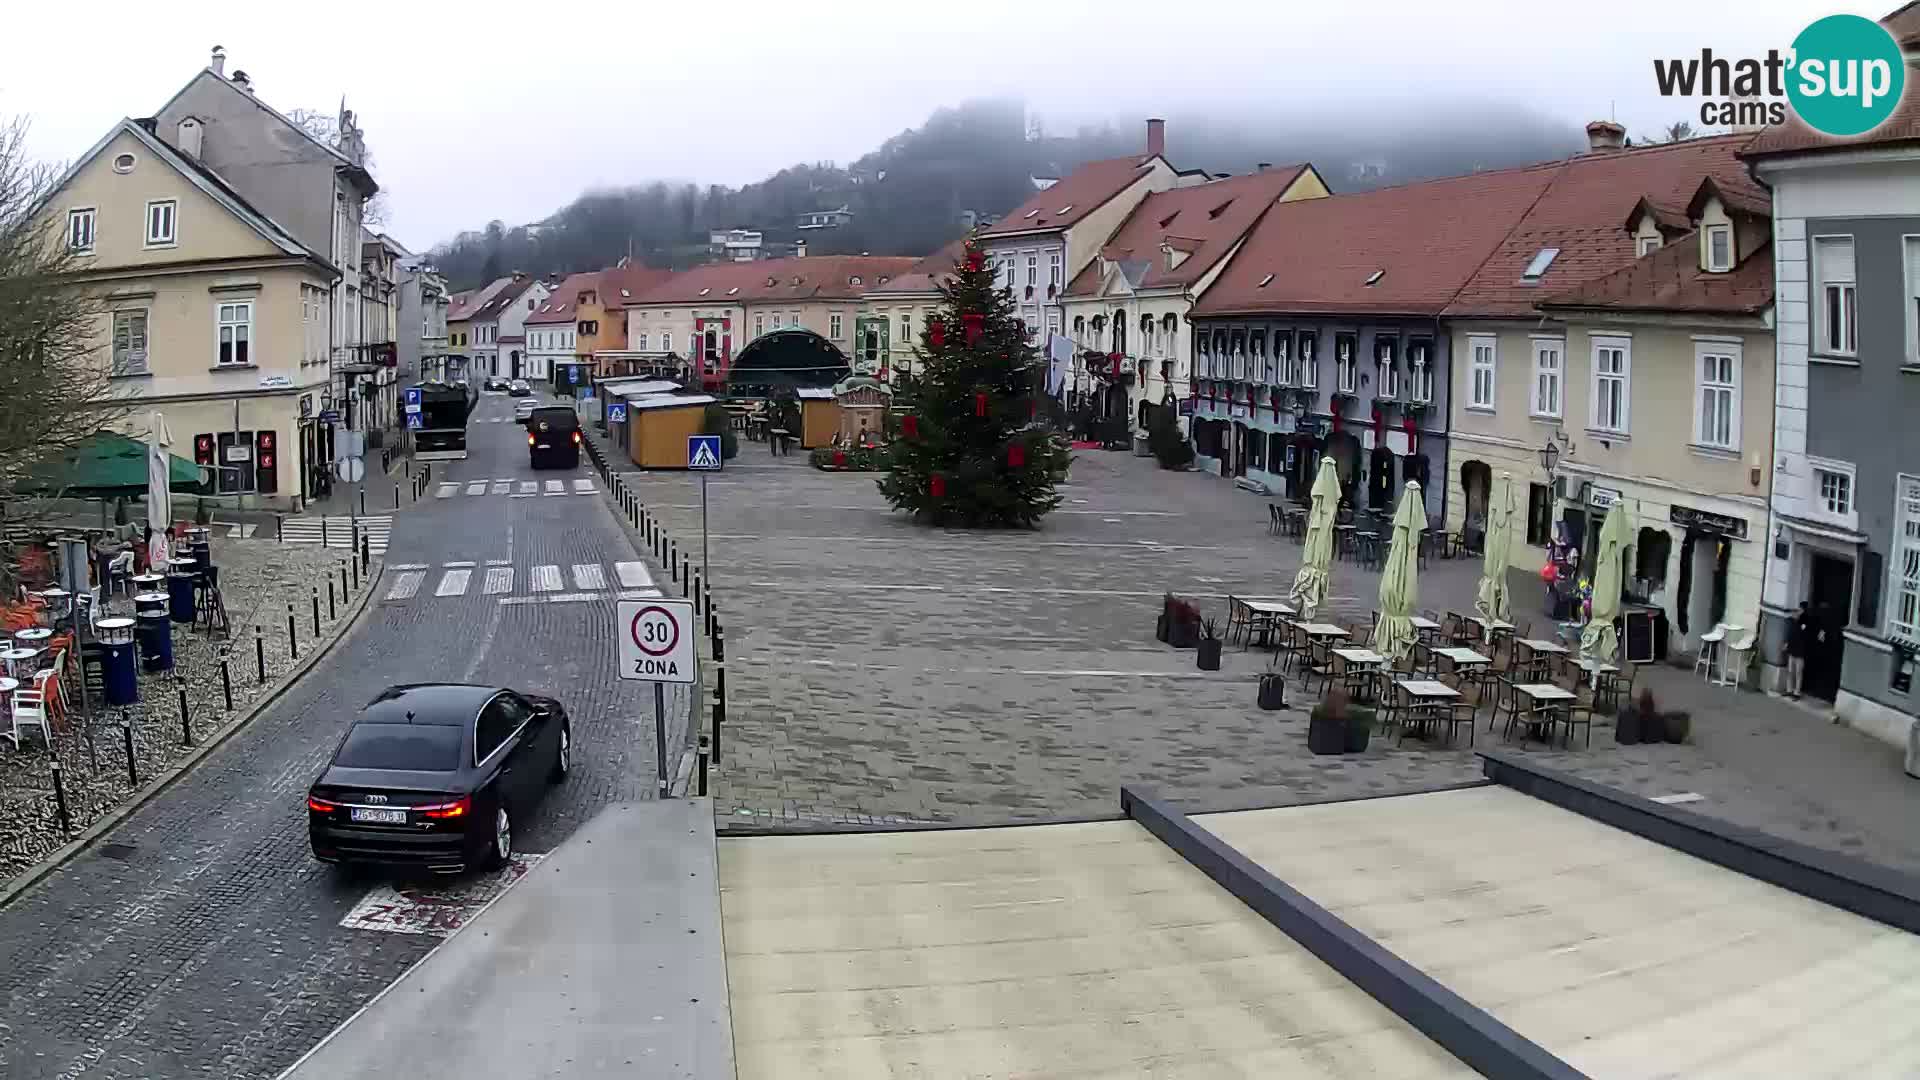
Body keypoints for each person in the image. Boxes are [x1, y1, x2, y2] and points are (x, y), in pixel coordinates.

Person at [1783, 601, 1812, 699]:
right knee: (1790, 671)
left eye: (1800, 609)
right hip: (1793, 649)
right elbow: (1791, 633)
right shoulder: (1795, 621)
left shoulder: (1806, 621)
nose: (1798, 611)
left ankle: (1797, 692)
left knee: (1798, 672)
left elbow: (1804, 634)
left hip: (1800, 651)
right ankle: (1789, 690)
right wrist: (1787, 643)